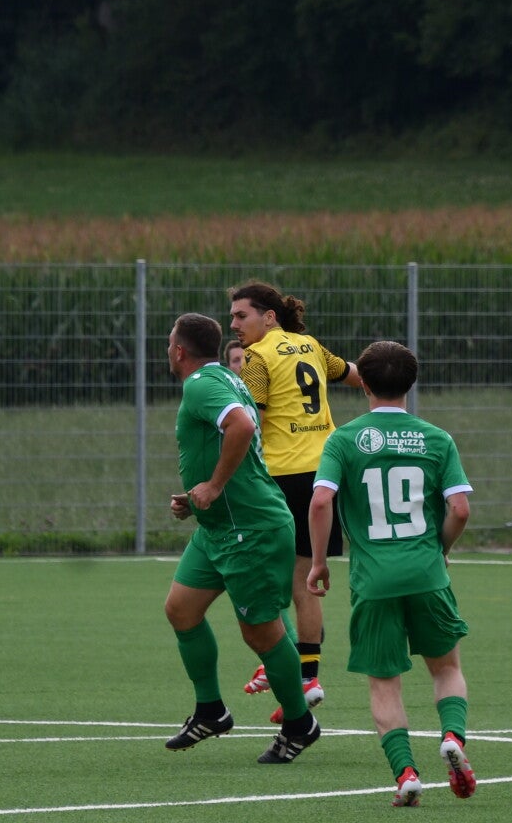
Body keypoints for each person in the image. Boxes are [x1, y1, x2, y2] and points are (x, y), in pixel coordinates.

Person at [308, 340, 476, 806]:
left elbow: (321, 501)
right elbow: (460, 509)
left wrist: (320, 562)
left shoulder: (343, 439)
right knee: (446, 668)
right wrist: (440, 549)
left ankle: (405, 775)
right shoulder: (437, 439)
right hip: (427, 575)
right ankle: (453, 737)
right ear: (411, 383)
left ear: (362, 383)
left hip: (373, 580)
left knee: (384, 683)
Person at [161, 311, 321, 765]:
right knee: (181, 609)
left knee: (261, 632)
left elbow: (243, 427)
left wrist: (212, 487)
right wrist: (198, 499)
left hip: (249, 529)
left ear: (179, 351)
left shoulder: (202, 385)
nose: (168, 350)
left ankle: (299, 724)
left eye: (169, 343)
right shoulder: (225, 379)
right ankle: (211, 711)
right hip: (218, 528)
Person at [228, 281, 363, 719]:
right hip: (325, 473)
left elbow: (250, 420)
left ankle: (281, 663)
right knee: (304, 580)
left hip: (283, 477)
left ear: (269, 317)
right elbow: (357, 374)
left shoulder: (257, 357)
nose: (235, 325)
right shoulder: (311, 345)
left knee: (266, 577)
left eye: (241, 316)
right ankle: (306, 675)